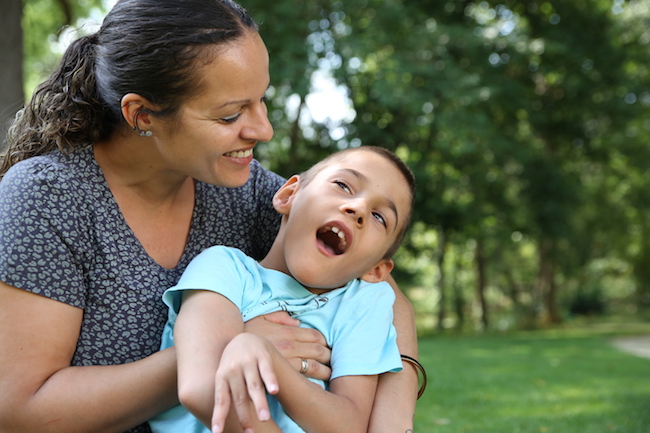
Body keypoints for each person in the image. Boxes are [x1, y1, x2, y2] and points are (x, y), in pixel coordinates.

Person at [0, 1, 419, 432]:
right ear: (142, 114)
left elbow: (384, 293)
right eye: (231, 114)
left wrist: (394, 418)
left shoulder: (242, 187)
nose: (262, 129)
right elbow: (22, 410)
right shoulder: (48, 196)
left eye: (261, 100)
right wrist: (218, 350)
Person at [149, 146, 416, 433]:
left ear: (376, 270)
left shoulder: (364, 302)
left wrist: (272, 362)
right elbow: (201, 389)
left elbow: (347, 424)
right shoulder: (223, 270)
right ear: (289, 195)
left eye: (380, 217)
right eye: (343, 185)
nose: (359, 209)